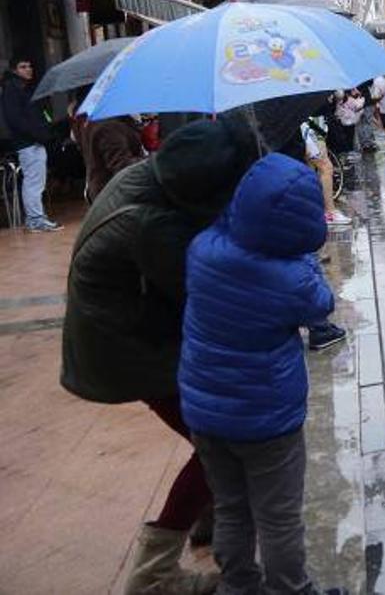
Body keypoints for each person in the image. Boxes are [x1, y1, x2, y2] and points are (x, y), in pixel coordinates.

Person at [62, 117, 259, 594]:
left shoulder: (151, 178)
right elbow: (204, 297)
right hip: (126, 348)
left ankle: (208, 515)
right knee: (223, 445)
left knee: (214, 442)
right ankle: (153, 578)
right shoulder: (152, 224)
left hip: (136, 326)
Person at [179, 152, 339, 595]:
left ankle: (239, 586)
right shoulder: (292, 278)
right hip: (267, 418)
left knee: (231, 507)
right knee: (279, 516)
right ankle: (291, 589)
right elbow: (322, 306)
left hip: (206, 412)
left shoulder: (203, 249)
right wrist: (304, 256)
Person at [1, 55, 60, 231]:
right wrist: (37, 134)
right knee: (34, 182)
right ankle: (35, 219)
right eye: (23, 66)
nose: (28, 69)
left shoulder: (24, 88)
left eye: (29, 66)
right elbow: (16, 119)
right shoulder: (13, 89)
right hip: (28, 143)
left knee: (37, 182)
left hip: (33, 142)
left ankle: (36, 217)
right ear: (14, 70)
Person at [81, 114, 146, 202]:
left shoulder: (112, 120)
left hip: (111, 191)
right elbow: (122, 165)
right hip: (113, 194)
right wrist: (151, 161)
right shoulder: (109, 127)